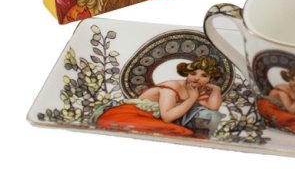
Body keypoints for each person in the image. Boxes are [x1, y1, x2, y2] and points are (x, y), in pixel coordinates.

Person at [95, 56, 225, 138]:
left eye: (204, 76)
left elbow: (213, 106)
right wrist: (192, 98)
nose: (196, 78)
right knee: (181, 134)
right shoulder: (172, 86)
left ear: (210, 79)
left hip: (149, 117)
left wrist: (216, 90)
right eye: (193, 73)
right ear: (187, 74)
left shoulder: (195, 89)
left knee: (182, 134)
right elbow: (167, 117)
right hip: (129, 114)